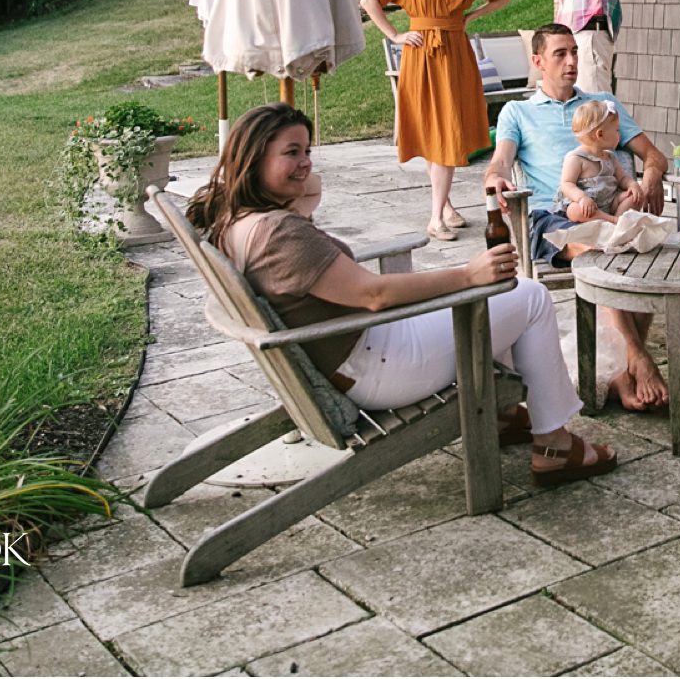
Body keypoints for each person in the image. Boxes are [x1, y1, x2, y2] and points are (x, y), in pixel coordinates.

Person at [190, 103, 615, 486]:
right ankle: (555, 445)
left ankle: (504, 416)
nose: (305, 163)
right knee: (529, 297)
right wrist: (467, 275)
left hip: (356, 353)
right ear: (253, 158)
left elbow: (314, 205)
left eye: (307, 151)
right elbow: (373, 294)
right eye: (291, 152)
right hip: (378, 368)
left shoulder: (239, 222)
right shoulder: (281, 234)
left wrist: (294, 176)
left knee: (498, 299)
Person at [485, 23, 672, 411]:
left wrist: (649, 182)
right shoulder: (517, 112)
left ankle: (620, 376)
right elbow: (500, 162)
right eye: (560, 54)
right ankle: (636, 356)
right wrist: (495, 180)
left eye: (574, 51)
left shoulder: (602, 105)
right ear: (537, 61)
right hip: (552, 219)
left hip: (610, 215)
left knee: (639, 246)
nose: (572, 61)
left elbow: (653, 156)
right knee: (599, 252)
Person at [359, 0, 510, 239]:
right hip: (422, 56)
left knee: (445, 131)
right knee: (434, 132)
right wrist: (395, 35)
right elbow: (369, 0)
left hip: (455, 54)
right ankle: (436, 218)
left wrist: (470, 18)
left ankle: (444, 208)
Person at [561, 100, 644, 219]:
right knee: (573, 210)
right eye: (616, 130)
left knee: (635, 197)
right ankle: (614, 221)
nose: (619, 134)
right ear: (600, 134)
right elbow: (567, 184)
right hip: (588, 209)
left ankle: (618, 220)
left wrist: (632, 185)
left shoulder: (610, 157)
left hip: (612, 203)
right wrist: (582, 198)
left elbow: (623, 179)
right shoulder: (576, 158)